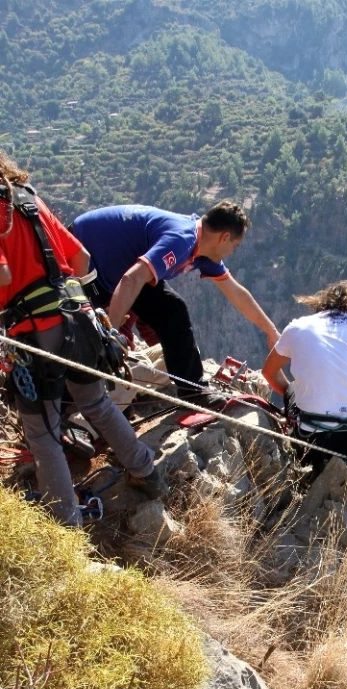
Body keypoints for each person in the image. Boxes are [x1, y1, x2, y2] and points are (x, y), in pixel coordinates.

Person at [0, 151, 165, 527]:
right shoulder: (28, 200)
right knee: (97, 403)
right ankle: (146, 472)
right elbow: (82, 258)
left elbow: (3, 276)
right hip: (78, 319)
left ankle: (67, 526)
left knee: (42, 433)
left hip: (34, 331)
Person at [70, 201, 279, 396]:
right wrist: (110, 334)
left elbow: (236, 293)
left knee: (173, 310)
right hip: (83, 256)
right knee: (80, 337)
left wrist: (270, 330)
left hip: (119, 269)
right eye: (235, 245)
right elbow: (131, 278)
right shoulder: (182, 239)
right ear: (224, 237)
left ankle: (193, 391)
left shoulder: (202, 252)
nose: (232, 252)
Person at [261, 278, 347, 499]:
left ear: (323, 304)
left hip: (314, 439)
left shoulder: (298, 327)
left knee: (294, 389)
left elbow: (268, 372)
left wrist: (291, 392)